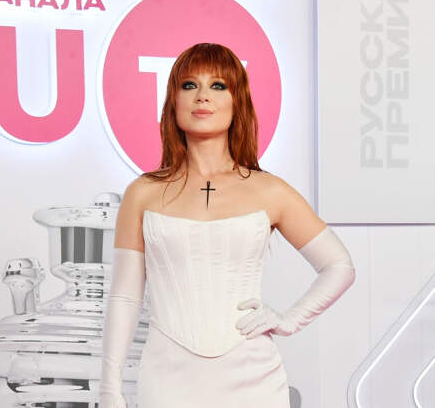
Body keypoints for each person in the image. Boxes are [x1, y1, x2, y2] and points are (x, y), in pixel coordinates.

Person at [99, 43, 356, 407]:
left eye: (218, 85)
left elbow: (339, 266)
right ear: (173, 101)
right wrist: (109, 388)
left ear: (238, 102)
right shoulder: (142, 193)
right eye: (189, 85)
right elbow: (125, 297)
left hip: (254, 378)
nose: (202, 96)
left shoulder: (270, 190)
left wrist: (289, 320)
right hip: (167, 376)